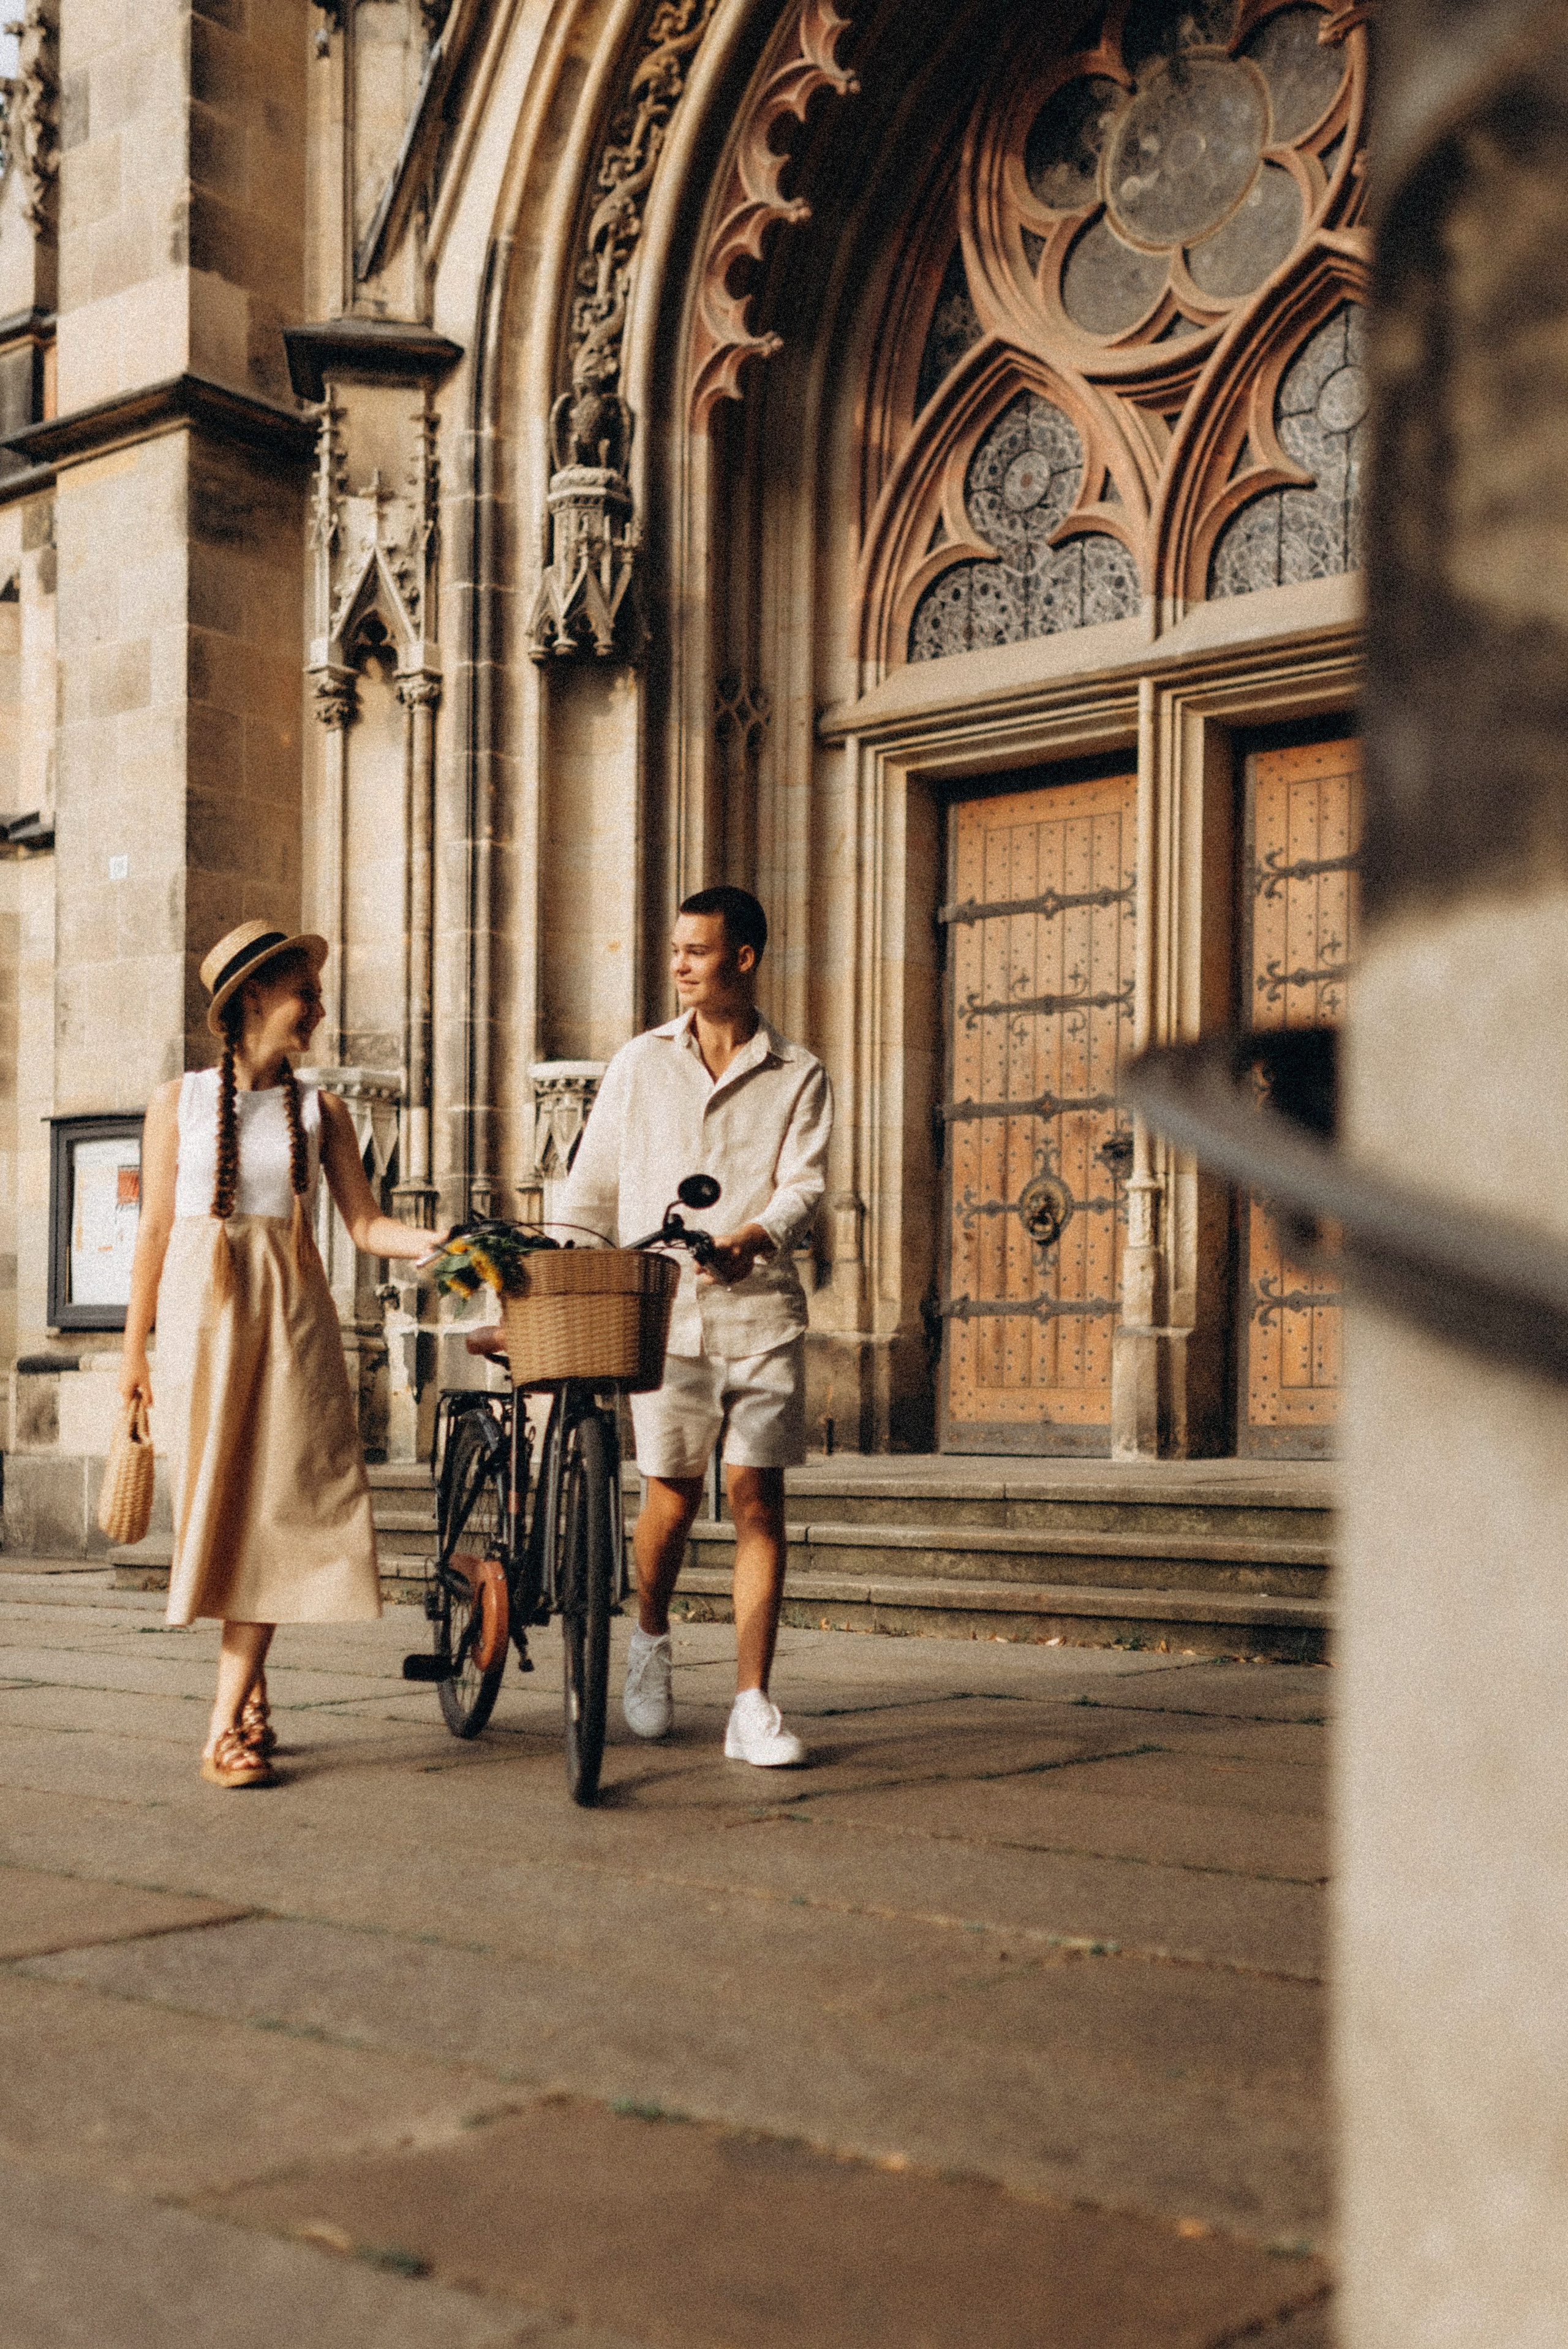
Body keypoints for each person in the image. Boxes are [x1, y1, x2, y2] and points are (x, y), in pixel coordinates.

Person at [118, 920, 446, 1789]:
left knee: (282, 1507)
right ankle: (253, 1692)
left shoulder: (321, 1111)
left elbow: (365, 1224)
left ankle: (222, 1727)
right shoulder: (177, 1103)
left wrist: (435, 1243)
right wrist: (132, 1357)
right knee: (224, 1508)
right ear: (255, 997)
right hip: (202, 1326)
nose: (320, 1009)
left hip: (293, 1324)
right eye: (307, 993)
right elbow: (154, 1232)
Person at [562, 885, 832, 1766]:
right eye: (675, 948)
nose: (678, 964)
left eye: (696, 950)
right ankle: (649, 1638)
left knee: (756, 1495)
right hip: (663, 1315)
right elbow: (592, 1186)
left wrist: (757, 1235)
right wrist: (560, 1280)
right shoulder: (640, 1063)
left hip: (760, 1314)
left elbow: (805, 1183)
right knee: (671, 1498)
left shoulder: (799, 1072)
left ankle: (752, 1703)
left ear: (742, 958)